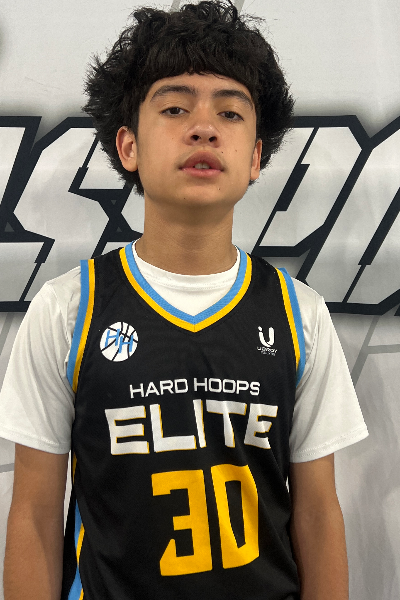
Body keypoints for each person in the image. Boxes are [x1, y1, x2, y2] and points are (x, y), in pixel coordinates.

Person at [0, 2, 369, 599]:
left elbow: (319, 514)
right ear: (128, 146)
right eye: (175, 108)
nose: (204, 128)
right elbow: (35, 516)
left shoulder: (299, 315)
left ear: (255, 157)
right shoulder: (68, 310)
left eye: (230, 111)